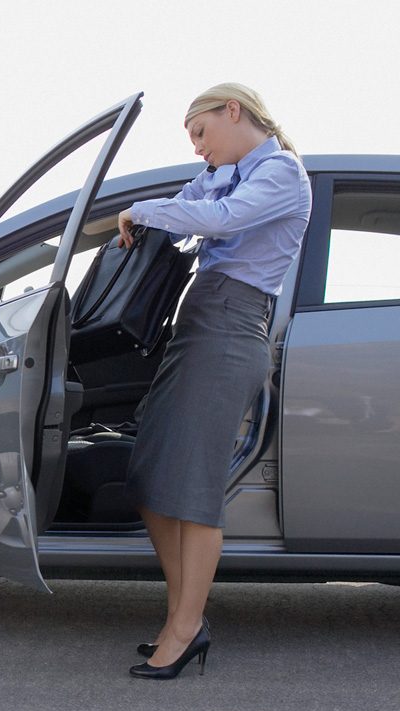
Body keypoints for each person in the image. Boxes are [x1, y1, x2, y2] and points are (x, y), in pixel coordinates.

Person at [116, 84, 311, 678]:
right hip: (198, 323)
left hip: (231, 327)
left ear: (233, 110)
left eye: (200, 132)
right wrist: (139, 218)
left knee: (194, 488)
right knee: (150, 474)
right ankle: (186, 616)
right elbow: (186, 207)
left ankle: (185, 628)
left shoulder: (281, 173)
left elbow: (222, 220)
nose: (197, 148)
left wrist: (142, 209)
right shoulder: (222, 174)